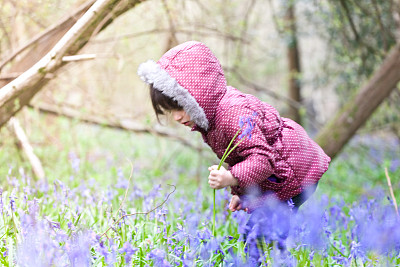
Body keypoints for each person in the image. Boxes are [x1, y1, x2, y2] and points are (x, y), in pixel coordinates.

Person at [137, 40, 330, 262]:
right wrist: (241, 192)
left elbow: (262, 159)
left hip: (295, 171)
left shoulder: (231, 113)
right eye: (170, 112)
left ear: (198, 95)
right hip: (278, 173)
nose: (177, 117)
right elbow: (240, 155)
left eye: (179, 107)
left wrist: (231, 178)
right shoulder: (210, 120)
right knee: (259, 235)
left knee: (260, 236)